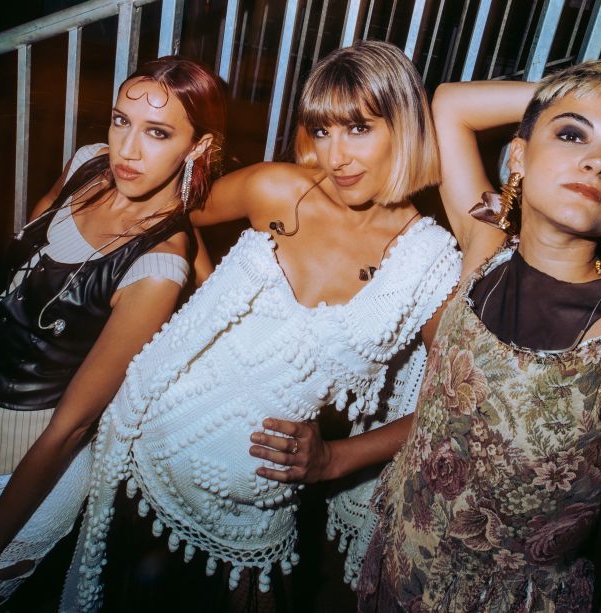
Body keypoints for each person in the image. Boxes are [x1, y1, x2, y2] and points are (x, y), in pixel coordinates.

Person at [62, 40, 461, 611]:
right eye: (322, 130)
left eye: (358, 129)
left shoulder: (430, 263)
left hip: (250, 509)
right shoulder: (278, 188)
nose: (336, 156)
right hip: (139, 450)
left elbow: (451, 409)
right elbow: (173, 209)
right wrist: (198, 287)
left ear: (405, 127)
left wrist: (335, 459)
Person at [356, 59, 601, 612]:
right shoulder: (485, 251)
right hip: (391, 579)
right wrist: (583, 91)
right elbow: (450, 104)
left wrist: (576, 107)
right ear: (518, 155)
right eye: (571, 134)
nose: (597, 161)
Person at [0, 56, 225, 611]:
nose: (128, 149)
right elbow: (27, 258)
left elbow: (72, 425)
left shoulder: (157, 269)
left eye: (158, 133)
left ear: (198, 146)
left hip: (22, 466)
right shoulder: (89, 164)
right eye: (121, 121)